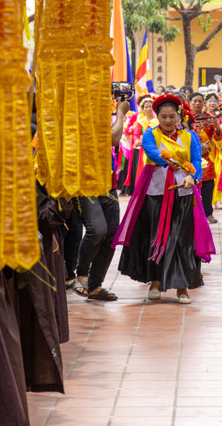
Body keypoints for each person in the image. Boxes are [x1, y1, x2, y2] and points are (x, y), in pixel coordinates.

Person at [114, 94, 216, 304]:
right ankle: (155, 282)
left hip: (183, 193)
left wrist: (191, 176)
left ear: (178, 116)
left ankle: (182, 286)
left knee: (183, 240)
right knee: (156, 235)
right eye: (163, 117)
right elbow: (152, 154)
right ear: (157, 116)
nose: (168, 121)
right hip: (156, 192)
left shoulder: (190, 137)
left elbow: (196, 160)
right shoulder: (150, 135)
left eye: (172, 117)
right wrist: (175, 162)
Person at [73, 98, 130, 301]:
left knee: (112, 236)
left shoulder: (100, 120)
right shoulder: (78, 121)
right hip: (85, 186)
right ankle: (81, 274)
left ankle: (96, 285)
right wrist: (122, 112)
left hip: (108, 185)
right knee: (97, 230)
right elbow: (114, 138)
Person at [190, 92, 222, 224]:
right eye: (195, 101)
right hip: (190, 158)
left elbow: (218, 137)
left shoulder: (209, 118)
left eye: (200, 101)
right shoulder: (187, 117)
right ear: (190, 102)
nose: (197, 103)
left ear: (203, 103)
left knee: (208, 186)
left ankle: (208, 213)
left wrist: (216, 127)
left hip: (206, 158)